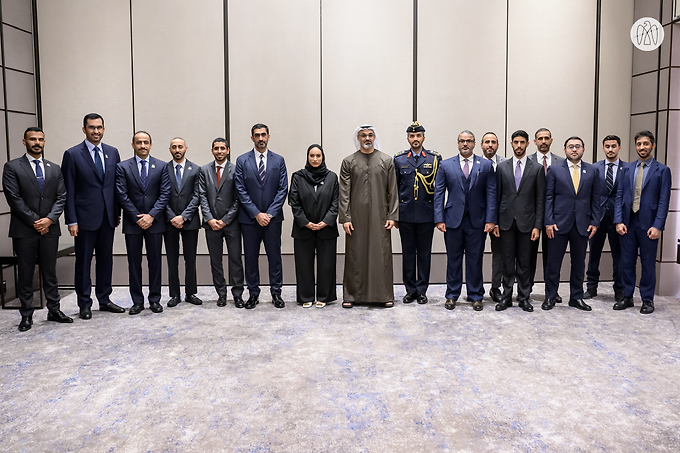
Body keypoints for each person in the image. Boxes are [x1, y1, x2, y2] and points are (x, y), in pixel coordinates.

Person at [2, 127, 72, 331]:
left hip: (50, 229)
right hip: (24, 230)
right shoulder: (12, 167)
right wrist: (36, 221)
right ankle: (26, 314)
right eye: (32, 139)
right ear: (24, 141)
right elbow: (13, 199)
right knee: (25, 272)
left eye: (40, 139)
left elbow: (61, 197)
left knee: (50, 271)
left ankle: (54, 309)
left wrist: (49, 220)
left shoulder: (54, 168)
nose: (37, 143)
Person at [61, 113, 124, 320]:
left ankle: (104, 299)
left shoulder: (112, 153)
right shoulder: (72, 154)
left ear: (103, 129)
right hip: (84, 219)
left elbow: (117, 186)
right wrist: (71, 219)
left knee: (106, 260)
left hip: (108, 217)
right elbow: (67, 190)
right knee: (84, 262)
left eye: (99, 127)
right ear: (84, 129)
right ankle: (84, 303)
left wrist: (118, 213)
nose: (95, 131)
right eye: (91, 127)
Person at [434, 130, 496, 311]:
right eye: (462, 141)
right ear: (458, 143)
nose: (465, 144)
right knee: (453, 259)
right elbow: (439, 193)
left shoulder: (485, 165)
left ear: (475, 143)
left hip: (478, 221)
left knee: (475, 259)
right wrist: (439, 218)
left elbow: (491, 193)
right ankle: (452, 295)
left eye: (469, 141)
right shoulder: (446, 165)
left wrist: (491, 219)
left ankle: (476, 295)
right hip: (452, 220)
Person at [339, 125, 398, 308]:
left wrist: (392, 215)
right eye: (363, 135)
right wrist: (346, 218)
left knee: (382, 255)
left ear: (374, 137)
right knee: (355, 254)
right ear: (358, 138)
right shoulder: (349, 162)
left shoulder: (386, 160)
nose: (367, 138)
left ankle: (384, 295)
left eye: (370, 135)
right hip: (355, 218)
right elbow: (344, 192)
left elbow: (392, 190)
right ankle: (351, 296)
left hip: (381, 217)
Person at [614, 131, 671, 314]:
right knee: (627, 262)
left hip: (649, 225)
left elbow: (664, 200)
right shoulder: (627, 169)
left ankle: (647, 299)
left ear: (653, 146)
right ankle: (627, 297)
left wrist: (658, 225)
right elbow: (619, 196)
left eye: (646, 144)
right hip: (628, 223)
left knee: (647, 263)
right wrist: (618, 221)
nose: (642, 147)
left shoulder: (662, 170)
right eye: (639, 144)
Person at [542, 136, 601, 311]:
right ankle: (550, 296)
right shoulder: (554, 169)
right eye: (570, 147)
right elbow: (548, 198)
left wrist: (595, 222)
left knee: (579, 263)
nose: (574, 149)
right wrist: (548, 221)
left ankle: (576, 297)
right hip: (558, 224)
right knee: (553, 264)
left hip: (582, 224)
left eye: (577, 146)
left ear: (583, 149)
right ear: (565, 150)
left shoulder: (592, 171)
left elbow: (596, 199)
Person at [116, 131, 170, 315]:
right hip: (133, 223)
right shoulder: (123, 167)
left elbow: (165, 194)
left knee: (155, 262)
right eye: (139, 142)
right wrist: (137, 217)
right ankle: (137, 301)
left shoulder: (162, 166)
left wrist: (151, 216)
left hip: (155, 222)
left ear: (151, 144)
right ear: (133, 145)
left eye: (146, 142)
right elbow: (121, 195)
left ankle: (155, 300)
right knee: (134, 263)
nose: (142, 146)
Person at [235, 124, 288, 309]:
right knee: (251, 258)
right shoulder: (242, 160)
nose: (260, 138)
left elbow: (283, 189)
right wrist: (256, 213)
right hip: (249, 220)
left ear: (269, 136)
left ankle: (276, 293)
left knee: (275, 257)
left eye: (263, 135)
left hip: (273, 220)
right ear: (252, 138)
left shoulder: (279, 160)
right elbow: (240, 190)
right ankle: (253, 294)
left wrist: (270, 213)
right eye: (257, 135)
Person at [494, 130, 545, 312]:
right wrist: (496, 223)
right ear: (511, 143)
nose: (518, 145)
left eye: (522, 142)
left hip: (527, 223)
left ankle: (524, 297)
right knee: (507, 263)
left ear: (527, 144)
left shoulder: (537, 168)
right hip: (506, 222)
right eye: (515, 142)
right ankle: (506, 297)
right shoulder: (502, 167)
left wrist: (538, 226)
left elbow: (540, 201)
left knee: (524, 263)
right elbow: (497, 196)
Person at [394, 122, 441, 305]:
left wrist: (438, 216)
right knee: (407, 254)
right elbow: (395, 189)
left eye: (418, 136)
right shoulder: (399, 159)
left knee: (424, 254)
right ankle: (410, 290)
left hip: (426, 215)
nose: (415, 139)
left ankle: (422, 290)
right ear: (408, 138)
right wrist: (395, 215)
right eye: (412, 136)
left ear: (423, 137)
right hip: (405, 215)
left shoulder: (434, 158)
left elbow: (438, 190)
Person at [288, 144, 339, 308]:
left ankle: (324, 296)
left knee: (327, 264)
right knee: (303, 264)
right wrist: (306, 222)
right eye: (312, 156)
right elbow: (294, 202)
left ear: (323, 157)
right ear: (307, 157)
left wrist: (325, 222)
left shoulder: (332, 177)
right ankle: (306, 296)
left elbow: (336, 202)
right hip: (303, 228)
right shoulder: (298, 177)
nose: (315, 159)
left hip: (327, 228)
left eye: (318, 156)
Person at [199, 137, 245, 308]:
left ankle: (238, 294)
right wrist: (210, 218)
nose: (219, 151)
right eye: (216, 148)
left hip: (231, 224)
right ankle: (221, 293)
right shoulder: (204, 170)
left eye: (222, 148)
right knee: (215, 260)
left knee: (235, 259)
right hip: (211, 224)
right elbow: (202, 195)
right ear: (212, 150)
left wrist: (225, 220)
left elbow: (239, 198)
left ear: (228, 150)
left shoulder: (236, 170)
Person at [584, 135, 626, 301]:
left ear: (619, 148)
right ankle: (591, 288)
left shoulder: (627, 168)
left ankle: (619, 290)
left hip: (618, 219)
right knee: (594, 254)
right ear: (603, 148)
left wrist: (621, 218)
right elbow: (588, 194)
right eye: (607, 146)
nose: (610, 149)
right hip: (597, 218)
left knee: (619, 256)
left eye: (613, 146)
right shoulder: (595, 168)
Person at [164, 137, 202, 307]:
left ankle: (190, 292)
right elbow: (161, 196)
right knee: (172, 259)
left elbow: (197, 195)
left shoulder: (195, 169)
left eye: (180, 146)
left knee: (190, 258)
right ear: (170, 149)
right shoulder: (163, 169)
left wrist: (184, 216)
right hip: (169, 221)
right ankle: (174, 294)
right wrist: (172, 216)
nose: (177, 149)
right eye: (174, 147)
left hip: (190, 221)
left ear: (186, 148)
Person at [529, 128, 564, 303]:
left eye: (546, 138)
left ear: (551, 140)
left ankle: (552, 291)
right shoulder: (526, 161)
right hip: (530, 216)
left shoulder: (561, 162)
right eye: (540, 138)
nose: (543, 141)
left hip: (553, 216)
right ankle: (525, 289)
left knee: (552, 257)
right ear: (534, 142)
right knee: (528, 255)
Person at [480, 132, 506, 303]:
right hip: (477, 217)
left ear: (498, 145)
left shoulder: (506, 164)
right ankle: (476, 288)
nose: (490, 145)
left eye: (493, 142)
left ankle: (496, 287)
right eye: (487, 142)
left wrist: (495, 220)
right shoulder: (475, 163)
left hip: (500, 219)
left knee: (499, 254)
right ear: (481, 145)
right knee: (476, 254)